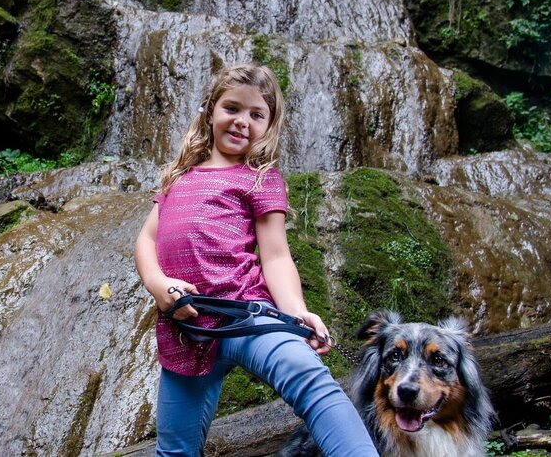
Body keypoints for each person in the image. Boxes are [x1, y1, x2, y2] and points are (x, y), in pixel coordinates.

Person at [134, 64, 378, 457]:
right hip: (185, 327)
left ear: (269, 125)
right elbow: (146, 239)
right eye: (232, 108)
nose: (241, 121)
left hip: (247, 315)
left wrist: (297, 312)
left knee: (307, 375)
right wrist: (158, 284)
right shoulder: (178, 177)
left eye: (255, 114)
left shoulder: (260, 178)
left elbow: (277, 256)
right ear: (211, 110)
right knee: (174, 449)